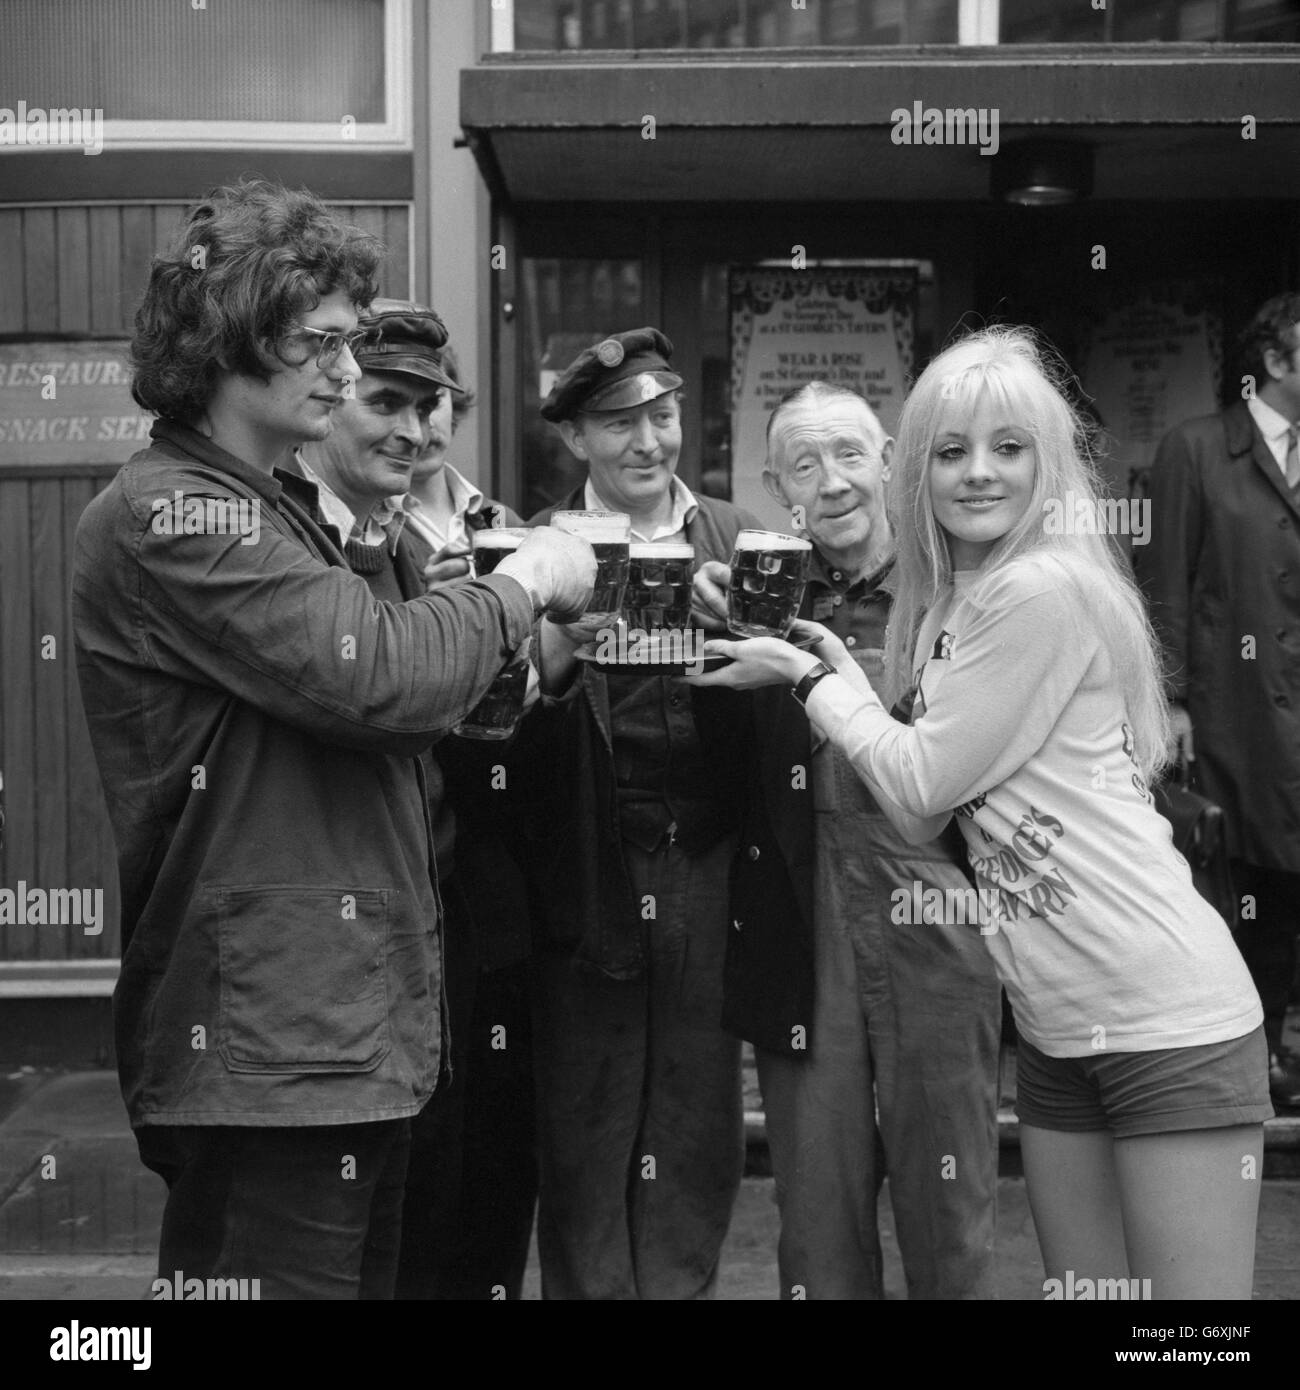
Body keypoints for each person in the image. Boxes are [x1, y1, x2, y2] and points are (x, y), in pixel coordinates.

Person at [71, 180, 594, 1299]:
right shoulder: (175, 512)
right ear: (227, 334)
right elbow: (383, 677)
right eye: (320, 343)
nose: (349, 374)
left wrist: (521, 646)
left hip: (338, 1043)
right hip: (270, 1056)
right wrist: (530, 581)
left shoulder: (270, 509)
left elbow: (405, 694)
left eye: (349, 343)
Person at [688, 327, 1270, 1299]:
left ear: (884, 464)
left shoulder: (1031, 590)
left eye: (1007, 448)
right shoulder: (956, 597)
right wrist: (809, 657)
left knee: (1178, 1325)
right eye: (951, 452)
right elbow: (920, 807)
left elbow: (917, 790)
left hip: (1153, 1010)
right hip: (1053, 1021)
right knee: (1090, 1297)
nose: (975, 473)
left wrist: (805, 675)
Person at [691, 382, 1001, 1300]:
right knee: (817, 1213)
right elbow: (715, 784)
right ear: (778, 485)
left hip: (941, 906)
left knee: (952, 1206)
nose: (831, 482)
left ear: (890, 459)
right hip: (799, 910)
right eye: (803, 464)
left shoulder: (960, 583)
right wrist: (710, 640)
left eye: (850, 455)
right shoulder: (755, 599)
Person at [297, 305, 540, 1299]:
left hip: (450, 917)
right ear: (329, 400)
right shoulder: (296, 533)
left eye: (429, 404)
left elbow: (471, 735)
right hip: (336, 952)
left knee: (461, 1195)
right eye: (384, 399)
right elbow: (380, 693)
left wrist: (503, 663)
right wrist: (488, 612)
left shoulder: (407, 536)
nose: (412, 426)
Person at [518, 327, 760, 1299]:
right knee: (585, 1117)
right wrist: (556, 654)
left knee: (697, 1120)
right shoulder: (533, 549)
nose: (647, 442)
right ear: (576, 438)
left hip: (705, 857)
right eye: (617, 424)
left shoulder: (741, 538)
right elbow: (496, 721)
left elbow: (787, 715)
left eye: (659, 416)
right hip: (590, 863)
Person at [1135, 292, 1300, 1112]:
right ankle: (1244, 1061)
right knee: (1245, 888)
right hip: (1234, 720)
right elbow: (1162, 579)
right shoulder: (1196, 448)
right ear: (1275, 360)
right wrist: (1167, 702)